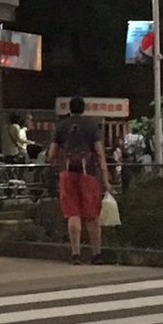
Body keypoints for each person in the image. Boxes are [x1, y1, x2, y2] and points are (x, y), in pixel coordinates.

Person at [49, 95, 112, 263]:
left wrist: (57, 167)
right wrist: (105, 180)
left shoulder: (61, 126)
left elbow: (51, 155)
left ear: (70, 108)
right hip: (88, 174)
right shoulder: (91, 126)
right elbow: (99, 154)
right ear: (83, 108)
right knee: (92, 216)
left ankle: (75, 253)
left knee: (72, 214)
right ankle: (96, 254)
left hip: (67, 175)